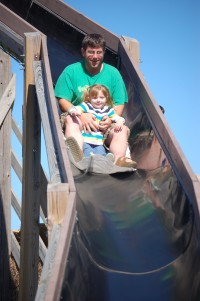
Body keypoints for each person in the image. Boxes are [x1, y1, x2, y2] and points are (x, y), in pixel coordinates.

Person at [54, 33, 136, 167]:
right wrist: (81, 115)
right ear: (83, 52)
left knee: (122, 130)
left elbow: (119, 103)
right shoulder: (71, 71)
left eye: (99, 52)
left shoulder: (113, 73)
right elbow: (63, 100)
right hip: (79, 117)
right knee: (70, 120)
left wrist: (110, 119)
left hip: (104, 121)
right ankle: (78, 154)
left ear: (104, 52)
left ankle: (117, 161)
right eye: (91, 52)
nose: (95, 57)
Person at [69, 84, 132, 163]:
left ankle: (106, 163)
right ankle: (87, 163)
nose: (98, 100)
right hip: (86, 140)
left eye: (101, 97)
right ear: (89, 98)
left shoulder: (108, 110)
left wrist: (120, 122)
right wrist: (75, 112)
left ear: (106, 98)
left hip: (99, 142)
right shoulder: (87, 106)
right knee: (88, 154)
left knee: (101, 155)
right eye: (95, 98)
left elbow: (118, 118)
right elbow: (74, 109)